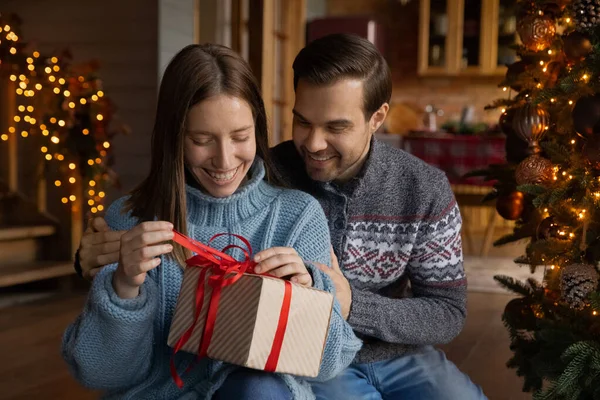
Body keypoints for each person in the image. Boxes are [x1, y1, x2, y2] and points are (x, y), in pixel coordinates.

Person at [75, 34, 486, 399]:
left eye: (336, 127)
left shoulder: (420, 188)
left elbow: (447, 312)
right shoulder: (269, 168)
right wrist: (103, 268)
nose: (314, 143)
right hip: (293, 372)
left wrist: (340, 299)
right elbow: (99, 366)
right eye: (302, 122)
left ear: (377, 118)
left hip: (391, 353)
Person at [62, 43, 361, 400]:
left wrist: (307, 295)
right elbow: (100, 373)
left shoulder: (298, 216)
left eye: (240, 137)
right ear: (175, 139)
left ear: (258, 131)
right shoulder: (130, 220)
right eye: (201, 140)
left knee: (257, 389)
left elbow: (329, 366)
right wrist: (124, 288)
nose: (224, 160)